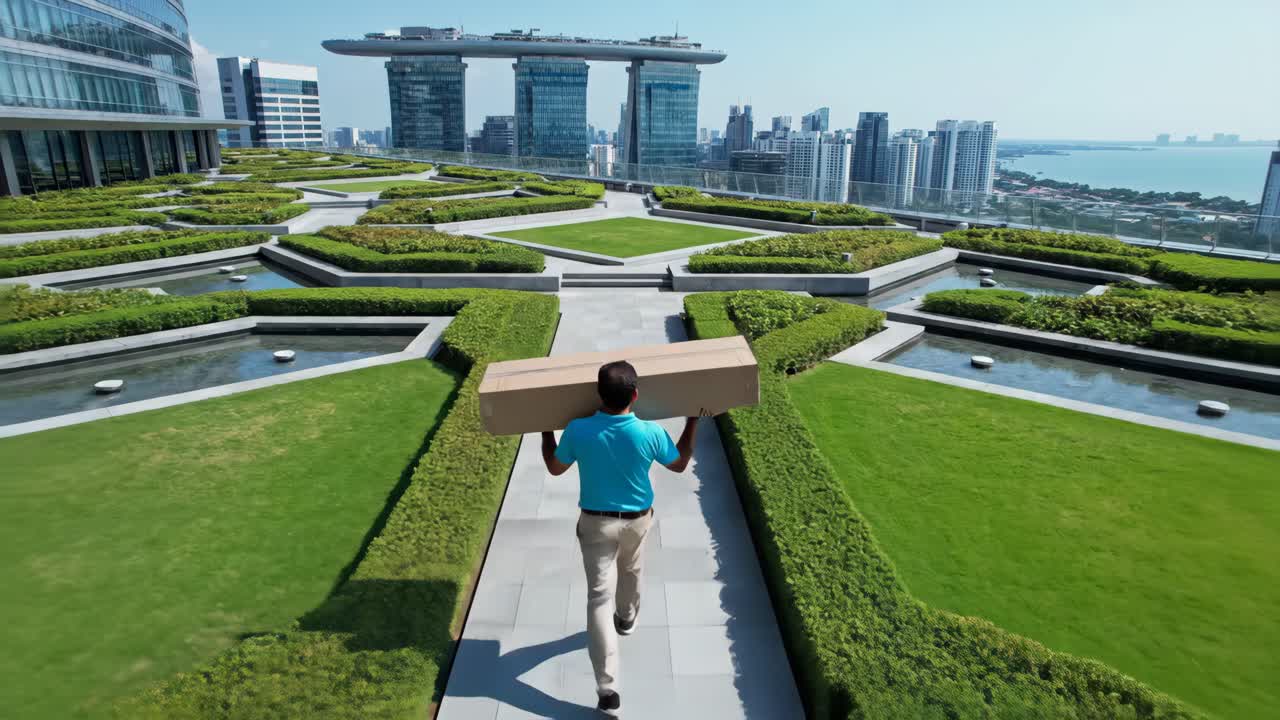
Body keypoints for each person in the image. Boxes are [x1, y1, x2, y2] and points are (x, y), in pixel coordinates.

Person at [540, 360, 704, 717]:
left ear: (598, 394)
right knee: (631, 571)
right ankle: (627, 618)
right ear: (636, 395)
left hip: (595, 525)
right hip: (636, 522)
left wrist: (544, 431)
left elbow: (554, 467)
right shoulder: (649, 432)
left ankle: (607, 689)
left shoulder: (578, 429)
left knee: (598, 598)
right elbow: (679, 464)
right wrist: (693, 421)